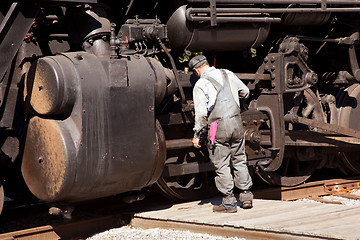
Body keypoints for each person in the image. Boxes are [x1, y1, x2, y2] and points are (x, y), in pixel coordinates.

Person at [189, 55, 253, 213]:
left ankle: (229, 203)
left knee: (221, 163)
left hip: (217, 127)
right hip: (236, 123)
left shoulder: (201, 84)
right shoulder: (227, 73)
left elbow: (201, 115)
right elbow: (245, 92)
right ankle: (246, 197)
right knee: (239, 159)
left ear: (196, 70)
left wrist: (197, 134)